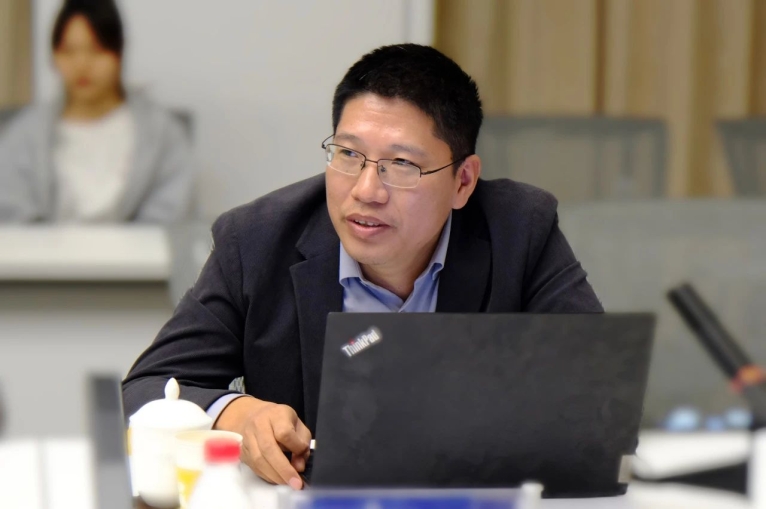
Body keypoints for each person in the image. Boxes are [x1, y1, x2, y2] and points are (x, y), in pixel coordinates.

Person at [123, 43, 603, 490]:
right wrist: (239, 414)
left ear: (462, 181)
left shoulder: (519, 231)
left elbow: (596, 394)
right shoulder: (257, 240)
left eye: (402, 164)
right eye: (349, 154)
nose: (366, 190)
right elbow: (143, 391)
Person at [0, 0, 194, 223]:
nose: (82, 64)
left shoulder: (162, 133)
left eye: (96, 50)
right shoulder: (25, 133)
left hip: (138, 247)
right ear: (54, 55)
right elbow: (10, 214)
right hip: (44, 247)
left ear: (119, 52)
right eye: (69, 51)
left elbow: (173, 217)